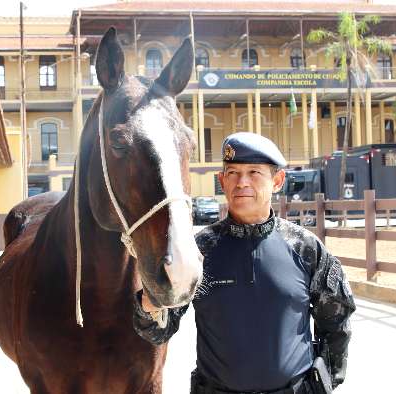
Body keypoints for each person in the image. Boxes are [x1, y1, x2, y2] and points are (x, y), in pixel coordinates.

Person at [133, 132, 356, 394]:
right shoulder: (200, 250)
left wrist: (323, 381)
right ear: (222, 181)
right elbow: (158, 331)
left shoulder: (305, 248)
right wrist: (151, 296)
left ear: (277, 181)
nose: (242, 183)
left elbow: (337, 323)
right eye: (233, 174)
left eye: (254, 172)